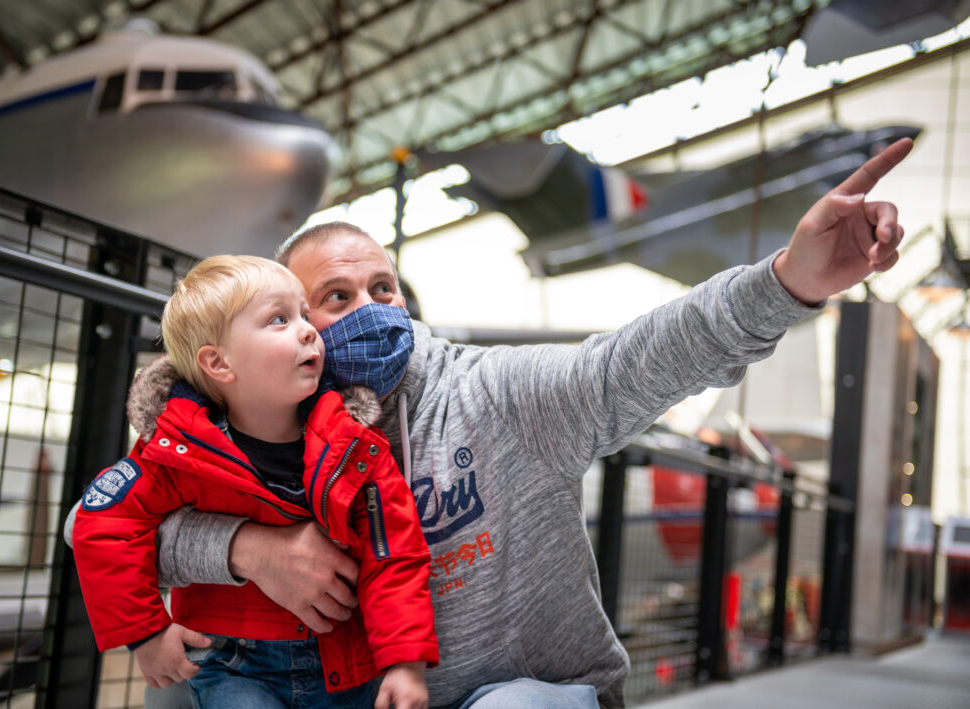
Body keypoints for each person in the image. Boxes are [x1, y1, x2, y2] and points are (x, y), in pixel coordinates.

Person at [72, 138, 913, 709]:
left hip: (516, 690)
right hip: (362, 689)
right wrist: (247, 550)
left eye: (384, 288)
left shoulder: (497, 397)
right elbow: (96, 521)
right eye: (333, 299)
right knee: (188, 676)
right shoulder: (262, 426)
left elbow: (634, 358)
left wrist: (787, 282)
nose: (369, 309)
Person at [70, 255, 438, 708]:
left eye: (305, 314)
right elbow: (103, 522)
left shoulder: (356, 446)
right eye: (279, 319)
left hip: (347, 666)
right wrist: (146, 632)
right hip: (232, 666)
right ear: (219, 363)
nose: (308, 330)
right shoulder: (175, 450)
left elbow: (394, 552)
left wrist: (406, 662)